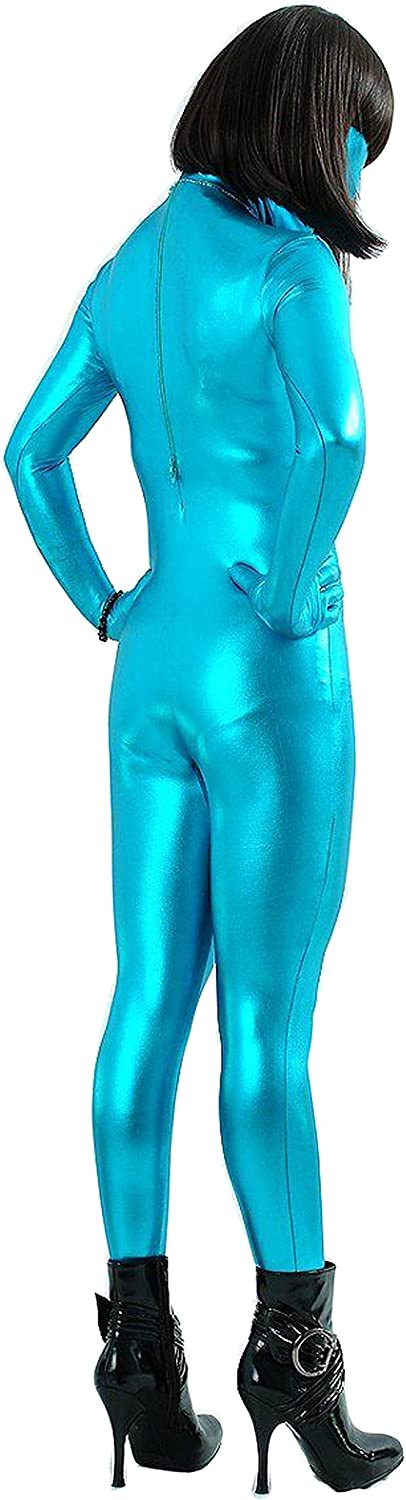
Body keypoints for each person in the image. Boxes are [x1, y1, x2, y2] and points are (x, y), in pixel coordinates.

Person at [4, 6, 403, 1494]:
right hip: (268, 670)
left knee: (143, 1004)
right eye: (361, 137)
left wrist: (101, 599)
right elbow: (337, 440)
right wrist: (296, 588)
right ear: (316, 122)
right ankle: (294, 1363)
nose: (361, 170)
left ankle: (137, 1363)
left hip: (149, 672)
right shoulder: (292, 265)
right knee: (269, 1034)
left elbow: (29, 450)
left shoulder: (131, 263)